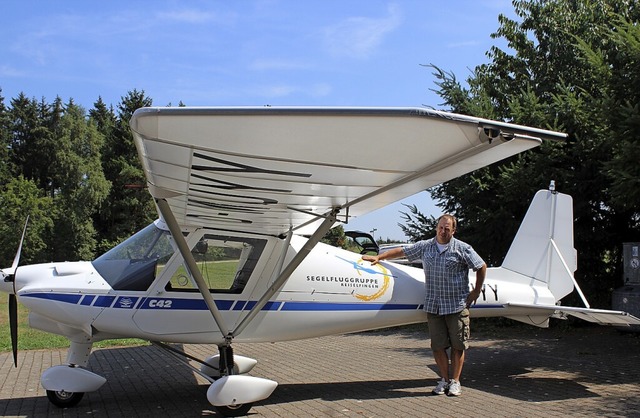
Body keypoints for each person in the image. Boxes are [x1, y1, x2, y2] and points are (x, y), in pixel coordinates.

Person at [362, 214, 486, 396]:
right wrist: (380, 257)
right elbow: (402, 251)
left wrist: (476, 291)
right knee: (437, 346)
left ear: (453, 230)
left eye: (447, 229)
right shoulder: (426, 246)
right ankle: (444, 380)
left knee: (458, 346)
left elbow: (481, 266)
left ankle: (455, 382)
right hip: (434, 305)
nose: (443, 232)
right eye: (440, 228)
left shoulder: (462, 248)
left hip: (456, 305)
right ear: (436, 228)